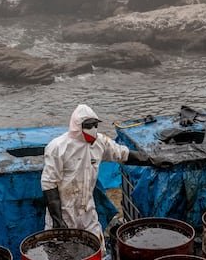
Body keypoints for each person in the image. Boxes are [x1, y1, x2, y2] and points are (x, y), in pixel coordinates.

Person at [41, 104, 160, 245]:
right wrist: (58, 220)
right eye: (88, 126)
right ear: (77, 126)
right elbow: (49, 183)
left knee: (95, 247)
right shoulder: (58, 147)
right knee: (62, 251)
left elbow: (123, 154)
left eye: (95, 125)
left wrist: (153, 160)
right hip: (64, 211)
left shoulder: (100, 143)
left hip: (87, 211)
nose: (93, 130)